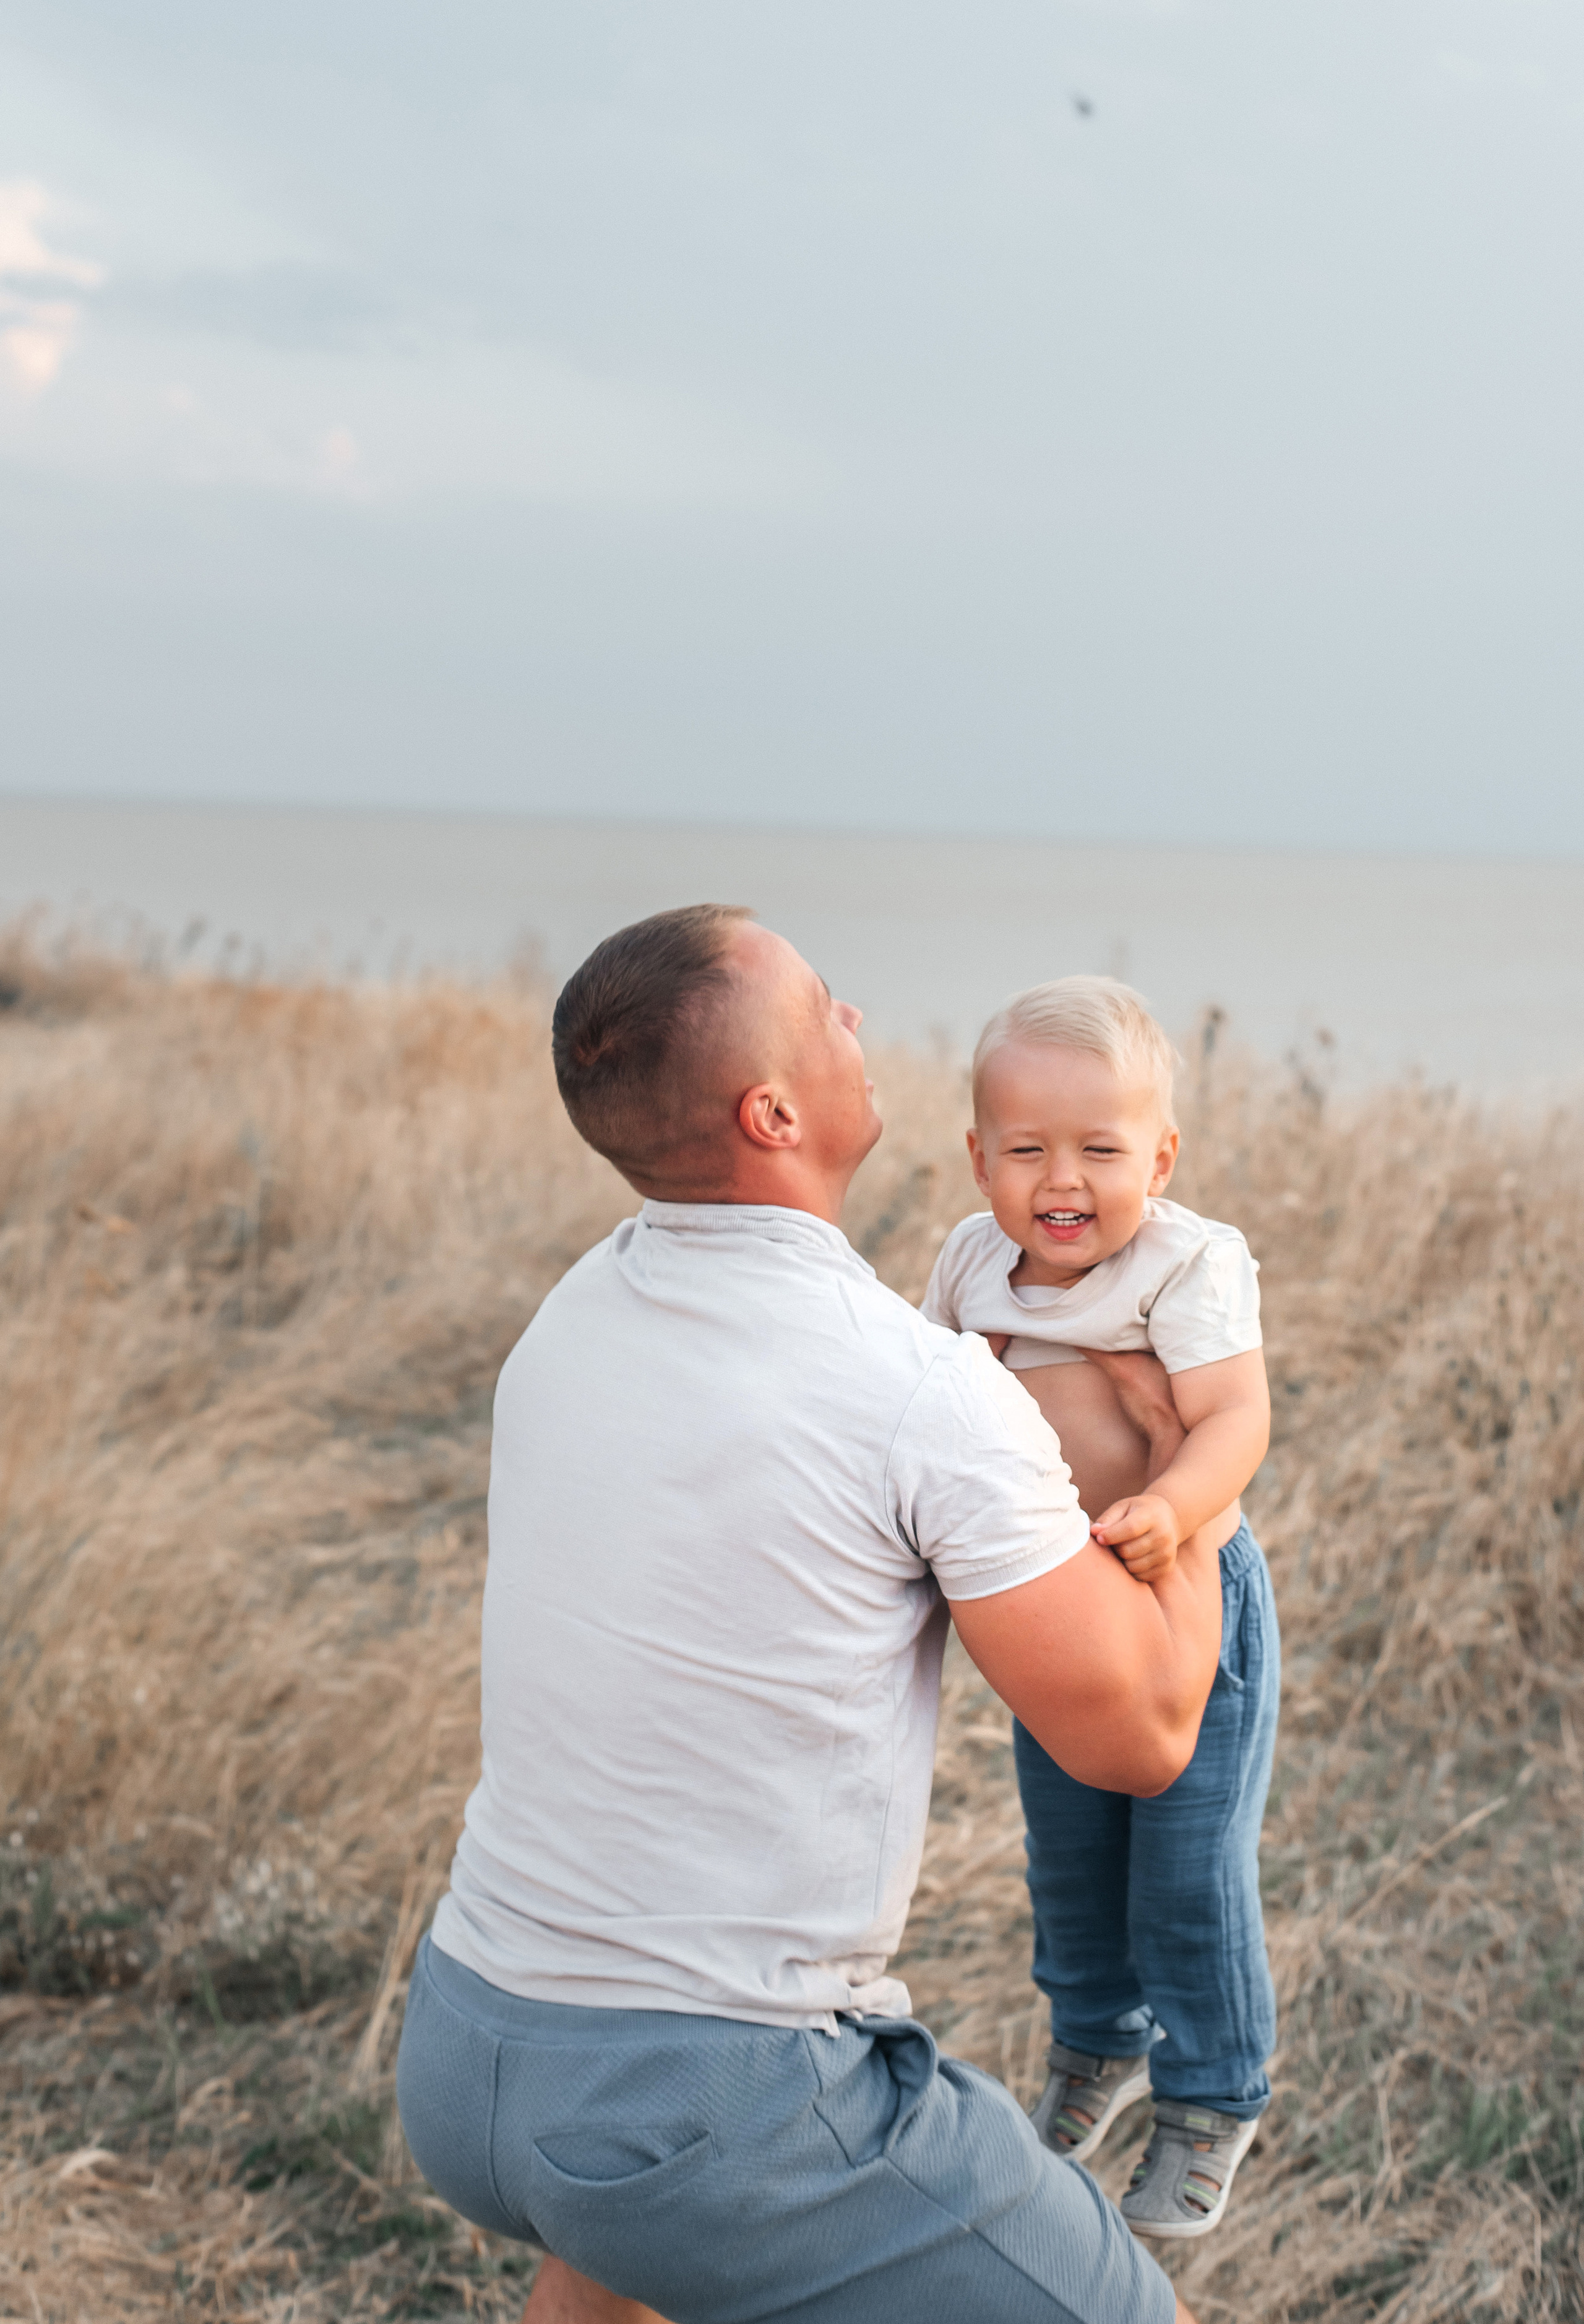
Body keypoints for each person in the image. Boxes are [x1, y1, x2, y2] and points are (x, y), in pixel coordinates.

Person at [397, 906, 1220, 2323]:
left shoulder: (574, 1314)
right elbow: (1139, 1737)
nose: (856, 1023)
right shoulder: (916, 1391)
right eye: (829, 1007)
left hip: (467, 2048)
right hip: (708, 2106)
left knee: (613, 2251)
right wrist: (1182, 1488)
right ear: (771, 1111)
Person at [922, 976, 1279, 2239]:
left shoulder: (1184, 1259)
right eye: (1024, 1150)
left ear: (1160, 1156)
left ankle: (1208, 2093)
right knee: (1069, 1854)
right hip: (1057, 1604)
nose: (1059, 1180)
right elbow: (928, 1405)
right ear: (977, 1158)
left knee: (1185, 1867)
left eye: (1098, 1150)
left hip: (1187, 1586)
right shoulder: (970, 1265)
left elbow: (1234, 1415)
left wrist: (1176, 1506)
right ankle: (1093, 2042)